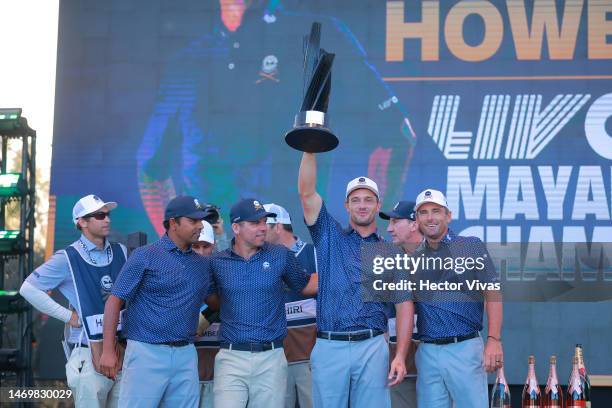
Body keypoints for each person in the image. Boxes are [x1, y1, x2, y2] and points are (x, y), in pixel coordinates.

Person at [136, 0, 417, 237]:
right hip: (216, 261)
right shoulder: (190, 61)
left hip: (293, 252)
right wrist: (178, 246)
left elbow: (397, 134)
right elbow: (150, 168)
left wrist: (368, 235)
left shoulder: (315, 33)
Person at [298, 151, 414, 408]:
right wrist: (309, 147)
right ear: (346, 205)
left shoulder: (391, 251)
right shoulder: (329, 237)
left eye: (368, 200)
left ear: (378, 204)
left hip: (372, 347)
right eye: (356, 200)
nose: (362, 205)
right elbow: (307, 194)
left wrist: (400, 355)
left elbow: (404, 305)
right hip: (330, 345)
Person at [99, 195, 212, 407]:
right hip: (146, 352)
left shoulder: (202, 264)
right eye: (193, 221)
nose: (200, 226)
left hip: (186, 354)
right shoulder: (145, 255)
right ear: (173, 223)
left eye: (201, 221)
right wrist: (108, 350)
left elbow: (215, 303)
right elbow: (114, 301)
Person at [19, 194, 126, 408]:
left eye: (107, 214)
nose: (107, 219)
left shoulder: (121, 251)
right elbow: (28, 289)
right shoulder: (66, 257)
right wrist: (68, 316)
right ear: (82, 222)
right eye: (99, 215)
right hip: (87, 353)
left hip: (122, 351)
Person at [209, 198, 318, 408]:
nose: (262, 228)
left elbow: (304, 286)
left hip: (272, 357)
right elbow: (211, 300)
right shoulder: (217, 262)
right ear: (236, 228)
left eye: (263, 222)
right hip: (231, 357)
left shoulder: (280, 255)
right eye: (254, 223)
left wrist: (345, 270)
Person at [411, 189, 503, 408]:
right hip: (427, 351)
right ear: (416, 220)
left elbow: (493, 291)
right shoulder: (413, 258)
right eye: (423, 212)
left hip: (464, 347)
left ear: (448, 216)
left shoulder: (470, 246)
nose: (430, 217)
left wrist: (494, 339)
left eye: (436, 211)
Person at [263, 203, 317, 408]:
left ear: (277, 227)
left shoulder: (313, 254)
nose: (258, 230)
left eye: (262, 225)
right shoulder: (259, 260)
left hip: (310, 360)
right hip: (274, 361)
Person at [379, 200, 422, 408]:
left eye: (396, 222)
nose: (389, 228)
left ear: (414, 224)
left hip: (435, 356)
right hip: (398, 361)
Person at [192, 221, 220, 408]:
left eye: (206, 246)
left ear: (214, 247)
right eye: (196, 246)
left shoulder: (224, 277)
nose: (201, 252)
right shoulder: (175, 275)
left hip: (217, 377)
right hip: (186, 375)